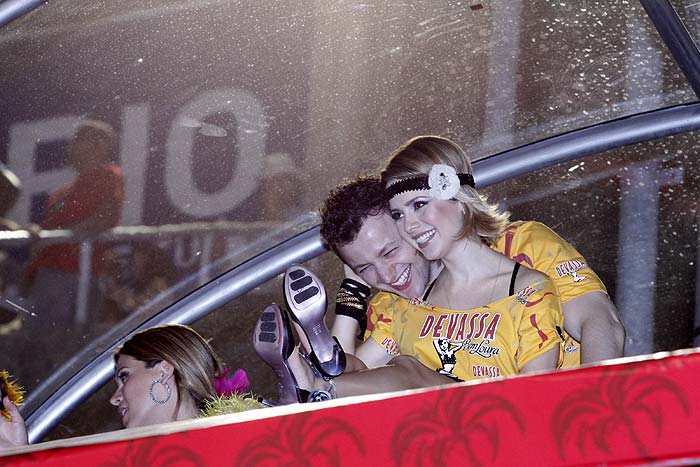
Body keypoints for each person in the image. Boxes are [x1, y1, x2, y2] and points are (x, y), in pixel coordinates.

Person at [320, 175, 625, 365]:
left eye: (390, 251)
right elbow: (345, 383)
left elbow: (598, 321)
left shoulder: (522, 245)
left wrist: (594, 414)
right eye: (366, 269)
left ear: (411, 226)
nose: (387, 276)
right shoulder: (393, 305)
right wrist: (352, 294)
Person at [0, 324, 260, 450]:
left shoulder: (247, 442)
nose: (114, 399)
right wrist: (16, 454)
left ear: (164, 370)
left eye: (124, 377)